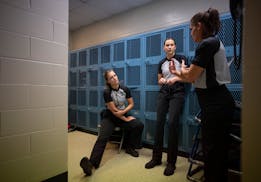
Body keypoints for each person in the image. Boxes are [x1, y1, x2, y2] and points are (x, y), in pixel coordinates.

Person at [172, 8, 235, 182]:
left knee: (213, 151)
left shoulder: (207, 44)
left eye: (191, 29)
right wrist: (179, 73)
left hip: (216, 105)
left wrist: (180, 72)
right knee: (216, 151)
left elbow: (192, 76)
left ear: (198, 26)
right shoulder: (213, 42)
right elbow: (194, 78)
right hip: (216, 104)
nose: (191, 34)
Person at [80, 69, 144, 176]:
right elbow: (114, 112)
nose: (114, 78)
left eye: (115, 75)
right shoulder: (106, 92)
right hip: (110, 117)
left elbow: (131, 104)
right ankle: (91, 164)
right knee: (102, 138)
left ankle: (130, 147)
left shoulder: (125, 89)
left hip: (122, 114)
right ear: (108, 81)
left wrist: (125, 114)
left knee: (139, 125)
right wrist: (126, 119)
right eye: (111, 77)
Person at [145, 38, 187, 176]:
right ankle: (156, 158)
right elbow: (159, 80)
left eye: (172, 45)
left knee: (172, 123)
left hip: (177, 92)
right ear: (164, 48)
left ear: (175, 46)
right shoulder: (161, 63)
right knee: (159, 123)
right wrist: (161, 80)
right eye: (167, 45)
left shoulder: (182, 59)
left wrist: (175, 78)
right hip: (164, 92)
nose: (169, 47)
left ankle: (171, 163)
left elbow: (187, 77)